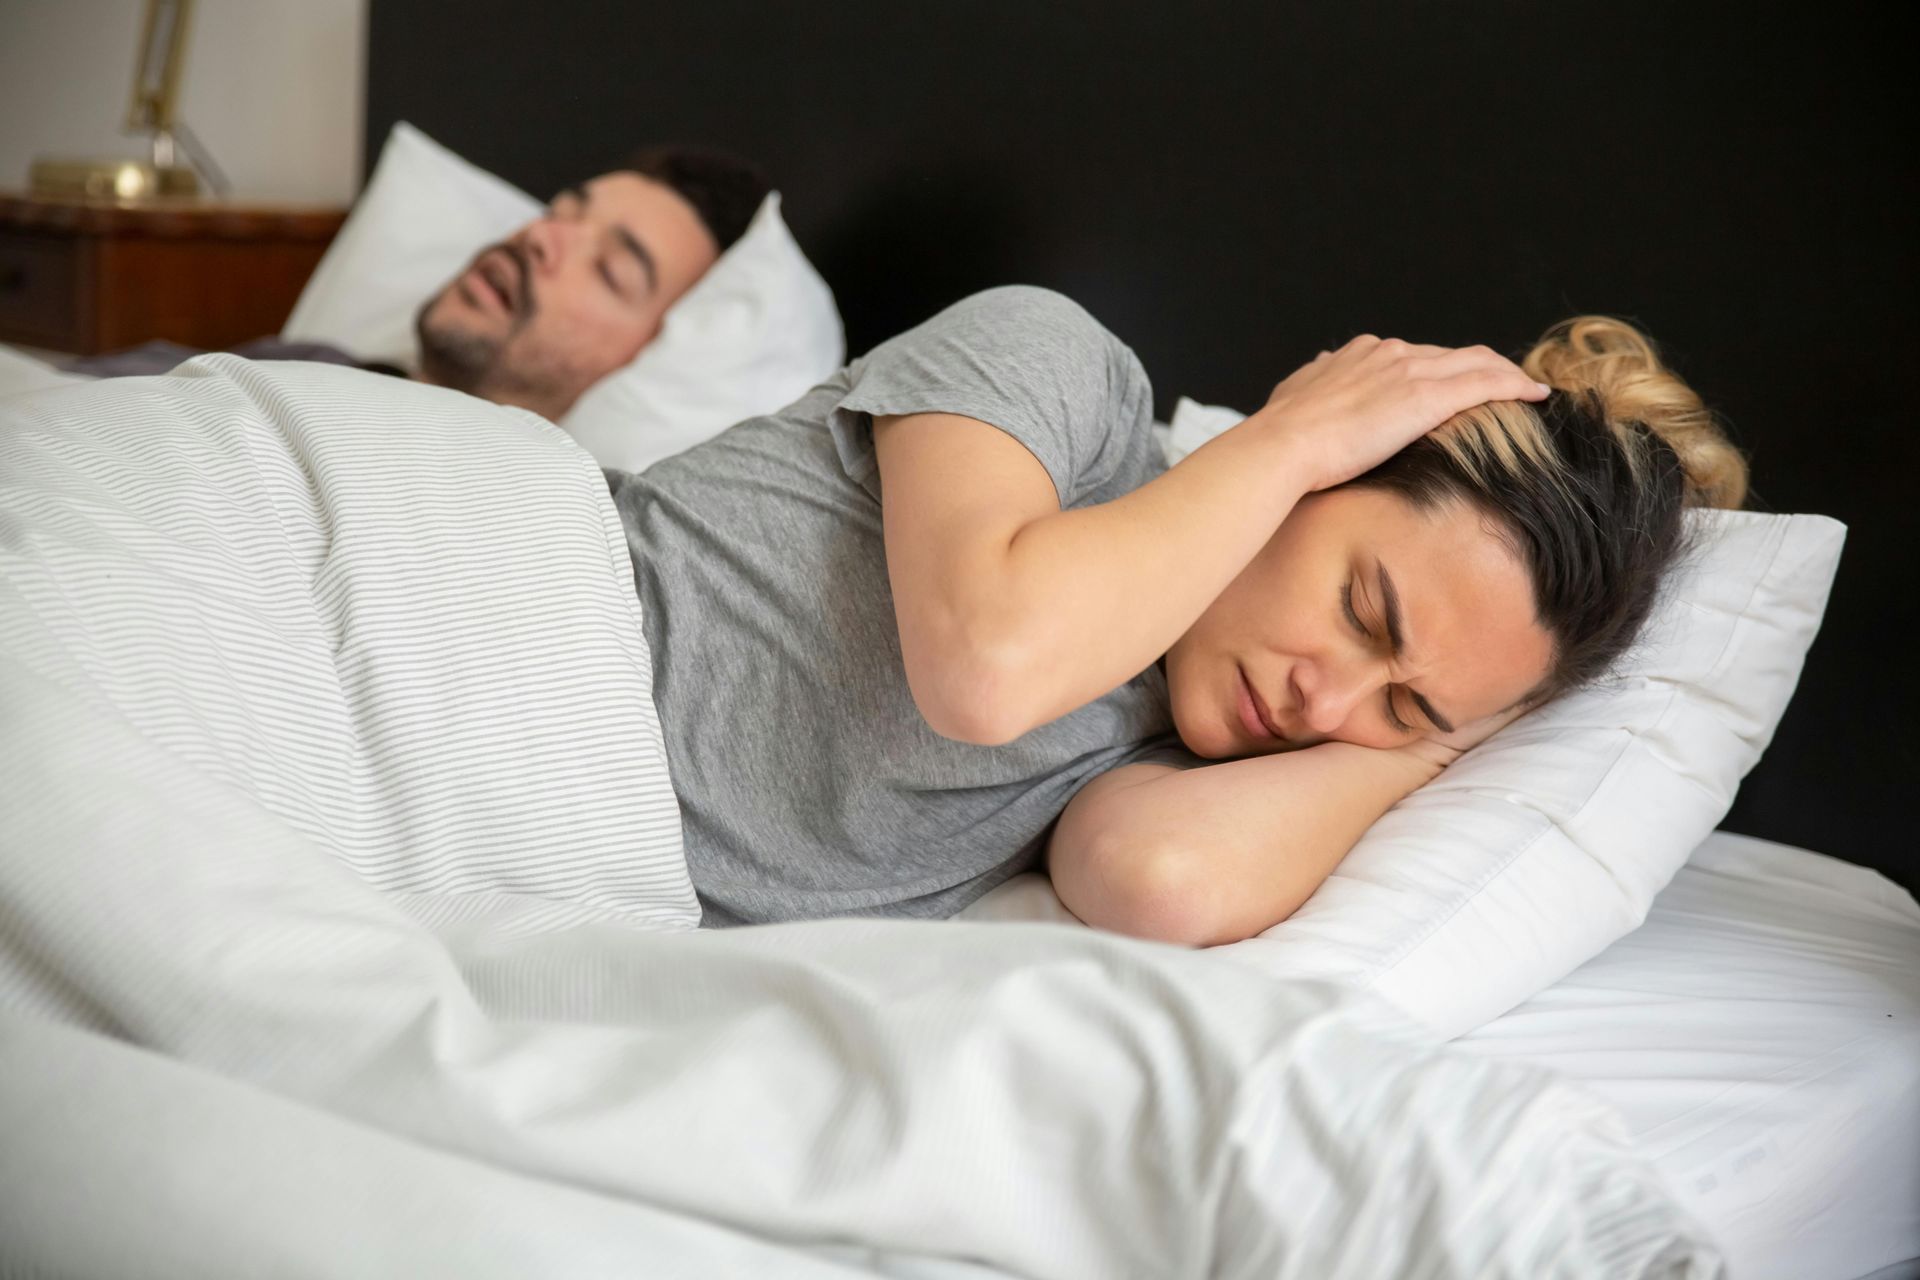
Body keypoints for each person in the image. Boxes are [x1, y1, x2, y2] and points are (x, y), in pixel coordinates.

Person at [609, 287, 1747, 942]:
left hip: (548, 865)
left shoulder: (1173, 758)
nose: (1326, 703)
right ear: (1325, 471)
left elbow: (1160, 879)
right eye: (1364, 611)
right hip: (517, 607)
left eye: (1404, 703)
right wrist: (1289, 436)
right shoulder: (1060, 378)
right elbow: (987, 667)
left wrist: (1435, 746)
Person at [64, 146, 768, 422]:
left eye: (610, 270)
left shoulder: (529, 514)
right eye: (561, 211)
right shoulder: (310, 362)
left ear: (652, 357)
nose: (542, 237)